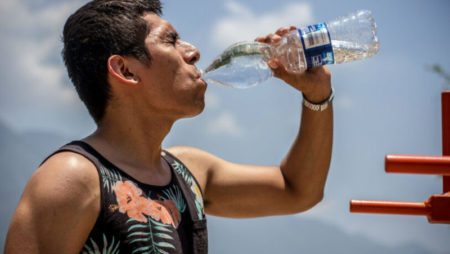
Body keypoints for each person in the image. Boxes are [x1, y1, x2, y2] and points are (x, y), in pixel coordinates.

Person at [4, 0, 333, 253]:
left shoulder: (188, 171)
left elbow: (298, 190)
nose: (193, 52)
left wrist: (317, 96)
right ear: (126, 70)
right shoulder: (72, 178)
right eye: (171, 40)